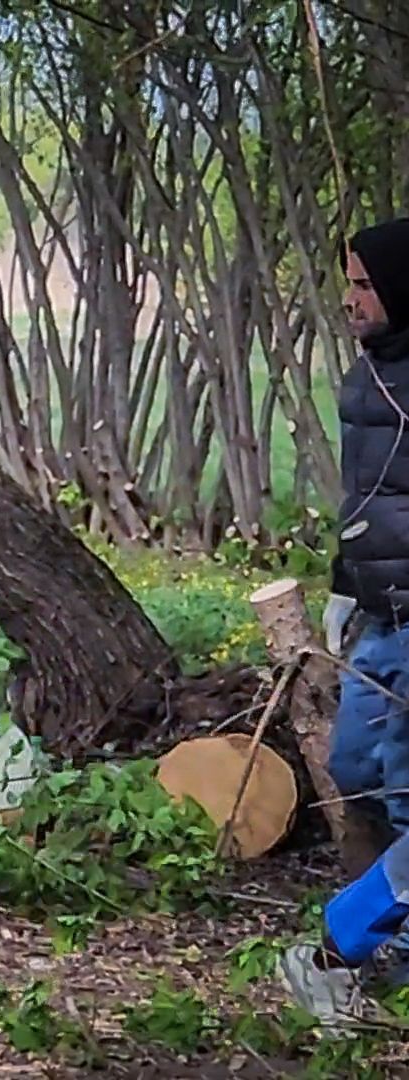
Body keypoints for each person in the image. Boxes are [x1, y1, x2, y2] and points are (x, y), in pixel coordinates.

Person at [283, 219, 409, 1021]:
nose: (351, 298)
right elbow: (363, 501)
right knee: (358, 765)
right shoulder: (369, 377)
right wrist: (343, 581)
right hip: (380, 614)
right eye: (351, 281)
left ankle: (352, 947)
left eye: (365, 284)